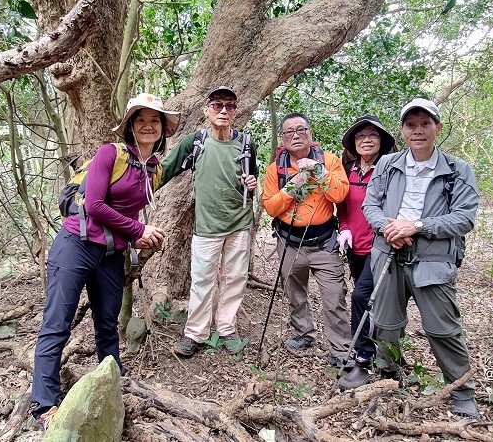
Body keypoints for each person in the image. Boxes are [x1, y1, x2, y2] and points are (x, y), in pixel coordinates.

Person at [31, 93, 179, 430]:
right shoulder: (109, 153)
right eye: (140, 119)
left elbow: (126, 214)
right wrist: (139, 230)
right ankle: (43, 405)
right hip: (76, 245)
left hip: (111, 253)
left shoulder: (153, 169)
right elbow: (95, 204)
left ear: (162, 129)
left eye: (154, 120)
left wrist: (137, 237)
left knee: (107, 323)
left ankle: (112, 379)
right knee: (57, 323)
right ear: (129, 126)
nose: (148, 125)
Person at [362, 98, 480, 418]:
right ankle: (389, 379)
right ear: (402, 131)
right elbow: (370, 205)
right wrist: (389, 229)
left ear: (437, 128)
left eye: (425, 124)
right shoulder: (388, 164)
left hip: (433, 259)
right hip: (388, 252)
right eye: (411, 125)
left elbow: (464, 218)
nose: (418, 131)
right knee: (386, 325)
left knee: (442, 328)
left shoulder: (457, 169)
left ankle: (461, 390)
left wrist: (416, 225)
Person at [162, 86, 258, 357]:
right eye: (217, 105)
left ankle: (227, 329)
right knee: (202, 279)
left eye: (229, 105)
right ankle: (195, 333)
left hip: (239, 222)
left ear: (236, 111)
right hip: (206, 224)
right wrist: (136, 189)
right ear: (206, 110)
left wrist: (252, 185)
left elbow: (252, 179)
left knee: (235, 278)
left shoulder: (247, 144)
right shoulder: (196, 141)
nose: (223, 110)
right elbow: (166, 170)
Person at [262, 112, 352, 368]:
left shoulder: (329, 161)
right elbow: (270, 207)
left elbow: (340, 195)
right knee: (294, 291)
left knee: (334, 297)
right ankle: (304, 334)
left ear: (310, 134)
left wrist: (316, 172)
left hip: (324, 242)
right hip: (289, 241)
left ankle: (340, 348)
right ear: (283, 139)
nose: (296, 135)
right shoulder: (275, 170)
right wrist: (294, 185)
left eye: (301, 130)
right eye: (289, 132)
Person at [335, 115, 396, 389]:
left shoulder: (390, 170)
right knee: (370, 300)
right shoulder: (347, 170)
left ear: (381, 140)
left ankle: (363, 358)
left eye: (373, 135)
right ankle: (384, 353)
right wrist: (344, 228)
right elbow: (343, 206)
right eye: (361, 136)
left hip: (381, 247)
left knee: (362, 298)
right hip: (355, 246)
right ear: (353, 143)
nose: (367, 140)